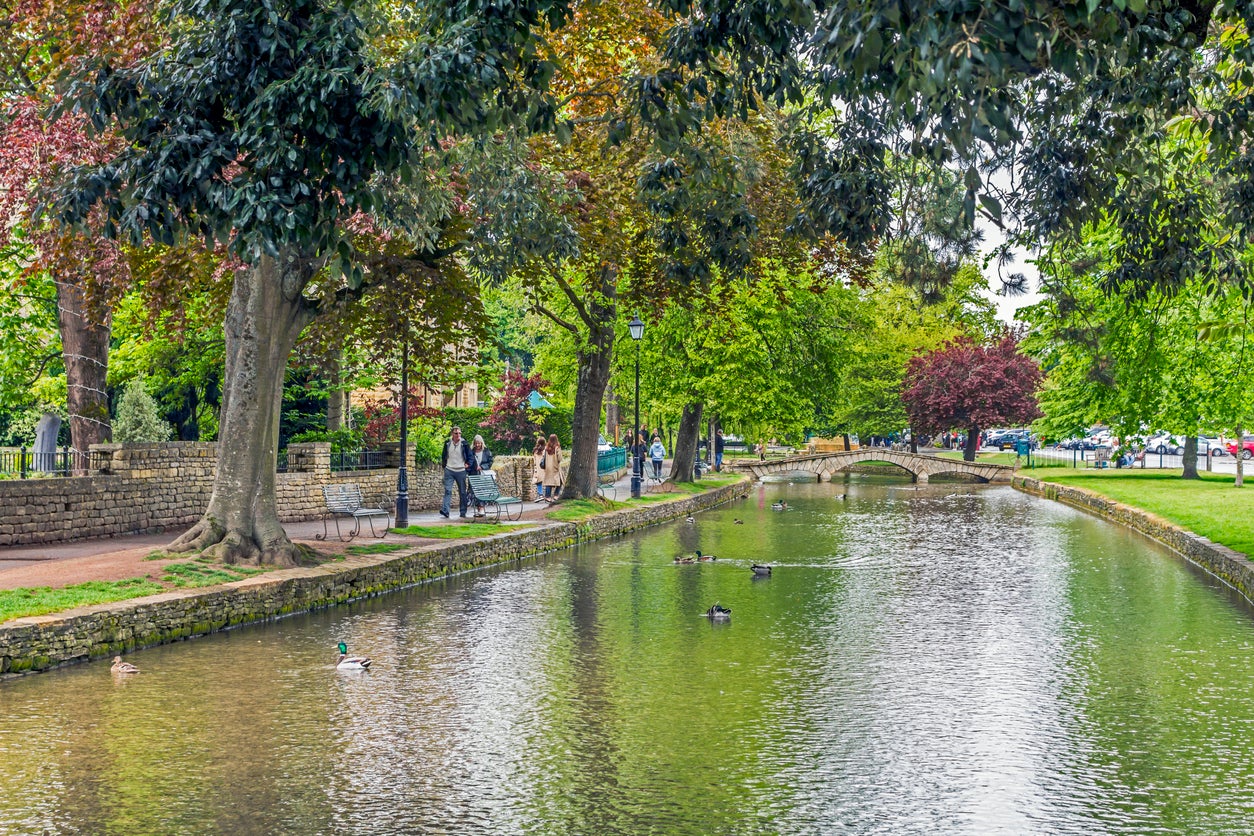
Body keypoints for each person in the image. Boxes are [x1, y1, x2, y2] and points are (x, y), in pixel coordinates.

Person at [440, 426, 473, 518]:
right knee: (448, 490)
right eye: (456, 433)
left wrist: (468, 464)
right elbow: (444, 455)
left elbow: (470, 456)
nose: (458, 435)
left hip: (461, 470)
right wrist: (444, 465)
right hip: (449, 470)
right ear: (452, 434)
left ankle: (463, 512)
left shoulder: (464, 444)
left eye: (459, 433)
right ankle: (445, 511)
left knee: (462, 492)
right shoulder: (447, 443)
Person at [468, 435, 495, 517]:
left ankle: (481, 508)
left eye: (479, 443)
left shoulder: (486, 451)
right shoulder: (471, 451)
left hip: (483, 475)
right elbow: (468, 461)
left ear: (481, 443)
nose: (477, 445)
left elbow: (490, 462)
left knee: (482, 491)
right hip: (473, 474)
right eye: (476, 443)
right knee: (474, 492)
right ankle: (477, 508)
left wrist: (482, 467)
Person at [542, 434, 563, 501]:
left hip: (548, 467)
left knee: (549, 482)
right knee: (560, 481)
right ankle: (556, 495)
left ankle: (547, 496)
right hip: (555, 467)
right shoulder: (557, 447)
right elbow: (560, 458)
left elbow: (543, 456)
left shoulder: (546, 448)